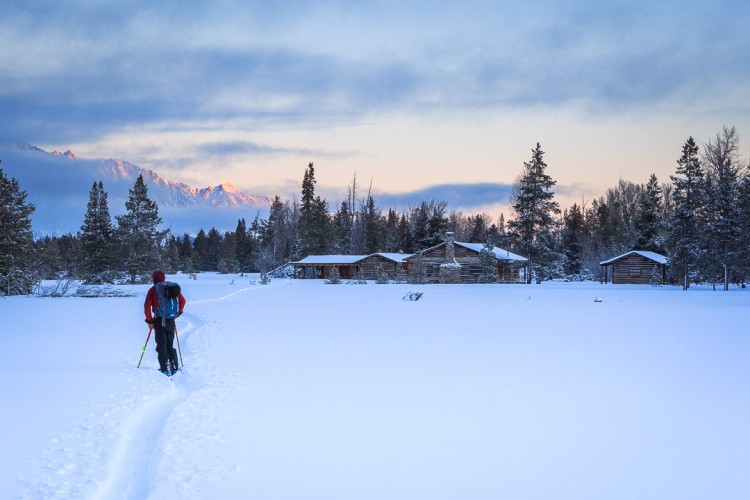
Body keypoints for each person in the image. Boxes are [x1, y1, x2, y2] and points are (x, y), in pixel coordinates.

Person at [144, 270, 186, 375]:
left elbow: (147, 305)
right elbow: (183, 300)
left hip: (159, 320)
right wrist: (178, 313)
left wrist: (149, 321)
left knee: (161, 345)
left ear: (154, 278)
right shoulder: (171, 287)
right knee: (170, 344)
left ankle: (165, 368)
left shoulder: (154, 289)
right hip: (171, 320)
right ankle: (174, 366)